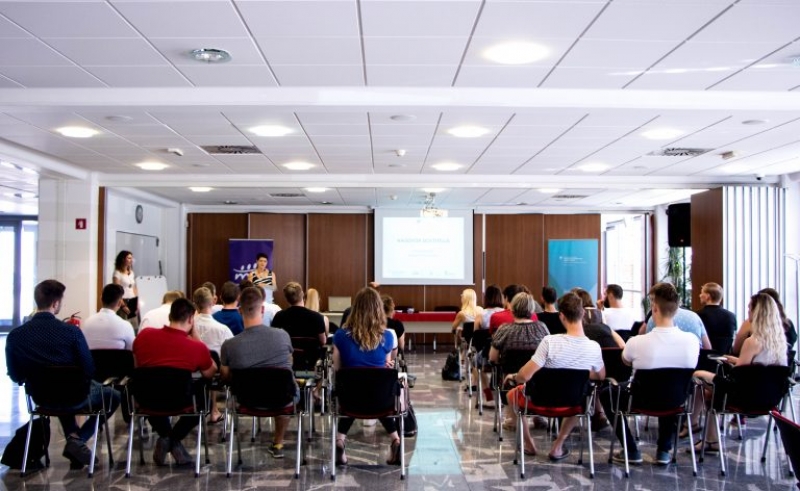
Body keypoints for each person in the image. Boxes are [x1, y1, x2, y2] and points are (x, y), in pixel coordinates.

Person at [6, 280, 121, 469]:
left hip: (41, 396)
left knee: (58, 392)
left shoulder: (16, 336)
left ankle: (74, 440)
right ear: (56, 303)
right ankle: (78, 439)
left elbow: (15, 375)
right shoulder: (71, 332)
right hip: (74, 394)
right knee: (113, 395)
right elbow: (89, 368)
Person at [605, 282, 700, 466]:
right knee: (670, 387)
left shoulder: (637, 342)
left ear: (654, 308)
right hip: (677, 400)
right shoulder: (692, 341)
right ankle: (664, 450)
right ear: (676, 309)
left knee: (606, 393)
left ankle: (631, 449)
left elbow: (626, 360)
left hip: (641, 400)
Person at [504, 292, 604, 460]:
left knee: (511, 395)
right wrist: (580, 372)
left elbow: (524, 376)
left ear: (562, 316)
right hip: (574, 403)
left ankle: (528, 443)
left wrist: (514, 376)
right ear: (582, 313)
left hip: (540, 401)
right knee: (581, 398)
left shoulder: (550, 342)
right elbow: (600, 376)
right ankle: (558, 445)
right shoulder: (594, 347)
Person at [694, 292, 788, 451]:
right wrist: (737, 360)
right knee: (712, 393)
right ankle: (711, 440)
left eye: (750, 308)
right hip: (770, 398)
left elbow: (738, 376)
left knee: (699, 376)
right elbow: (759, 370)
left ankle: (701, 432)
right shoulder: (780, 343)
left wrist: (733, 364)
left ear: (757, 312)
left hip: (745, 397)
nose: (748, 312)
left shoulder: (752, 341)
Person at [133, 298, 217, 466]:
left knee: (153, 394)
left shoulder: (144, 336)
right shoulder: (196, 347)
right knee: (203, 402)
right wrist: (197, 337)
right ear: (191, 319)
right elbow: (211, 372)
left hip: (146, 399)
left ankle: (166, 437)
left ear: (170, 316)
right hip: (180, 401)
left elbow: (137, 366)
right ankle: (173, 439)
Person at [220, 286, 298, 459]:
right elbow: (289, 364)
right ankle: (278, 441)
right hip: (281, 398)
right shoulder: (282, 336)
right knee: (287, 386)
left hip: (246, 399)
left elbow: (225, 376)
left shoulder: (229, 345)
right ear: (262, 309)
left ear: (240, 311)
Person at [332, 287, 403, 467]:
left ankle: (340, 440)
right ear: (379, 309)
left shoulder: (340, 336)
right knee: (375, 391)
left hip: (351, 399)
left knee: (353, 391)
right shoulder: (388, 336)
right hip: (381, 400)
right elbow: (387, 364)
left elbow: (337, 369)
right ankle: (395, 439)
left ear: (355, 309)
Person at [490, 292, 549, 422]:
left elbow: (492, 358)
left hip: (511, 381)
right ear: (532, 309)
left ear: (512, 309)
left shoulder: (504, 329)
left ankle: (512, 418)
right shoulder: (542, 328)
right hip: (538, 381)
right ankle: (538, 416)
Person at [193, 286, 233, 424]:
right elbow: (232, 354)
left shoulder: (188, 326)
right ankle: (214, 410)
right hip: (214, 376)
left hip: (189, 374)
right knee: (218, 363)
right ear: (212, 302)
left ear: (195, 303)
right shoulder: (222, 329)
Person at [732, 287, 797, 355]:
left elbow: (736, 350)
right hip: (783, 361)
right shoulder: (788, 324)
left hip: (751, 360)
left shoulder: (750, 323)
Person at [81, 283, 136, 350]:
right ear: (119, 303)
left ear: (101, 299)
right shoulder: (126, 326)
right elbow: (132, 350)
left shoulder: (86, 323)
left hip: (91, 357)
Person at [272, 282, 327, 347]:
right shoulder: (317, 317)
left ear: (287, 299)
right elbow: (323, 341)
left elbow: (274, 339)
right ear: (302, 294)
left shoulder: (279, 316)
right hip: (310, 353)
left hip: (287, 353)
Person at [696, 282, 737, 354]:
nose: (699, 295)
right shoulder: (732, 316)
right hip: (725, 357)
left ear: (707, 296)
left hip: (704, 356)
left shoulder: (698, 315)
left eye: (702, 293)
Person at [112, 250, 139, 324]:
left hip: (133, 300)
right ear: (123, 259)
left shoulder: (131, 273)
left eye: (131, 258)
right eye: (129, 258)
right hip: (123, 301)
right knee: (123, 322)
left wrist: (137, 301)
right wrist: (123, 305)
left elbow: (134, 287)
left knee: (134, 323)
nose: (131, 260)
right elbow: (117, 291)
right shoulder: (117, 273)